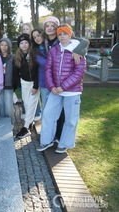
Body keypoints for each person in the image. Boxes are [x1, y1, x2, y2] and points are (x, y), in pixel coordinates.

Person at [37, 25, 86, 154]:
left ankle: (65, 143)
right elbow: (48, 69)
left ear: (70, 34)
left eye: (65, 33)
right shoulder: (54, 50)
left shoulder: (78, 50)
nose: (62, 36)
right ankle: (46, 140)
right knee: (48, 115)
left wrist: (63, 87)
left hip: (72, 91)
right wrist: (52, 86)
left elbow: (79, 72)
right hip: (55, 91)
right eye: (60, 34)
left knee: (70, 119)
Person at [13, 34, 40, 139]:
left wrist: (36, 86)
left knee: (32, 105)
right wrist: (18, 85)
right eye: (21, 43)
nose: (24, 45)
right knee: (27, 105)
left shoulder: (34, 55)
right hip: (24, 83)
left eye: (26, 43)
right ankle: (30, 123)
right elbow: (16, 73)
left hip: (34, 84)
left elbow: (38, 72)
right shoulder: (18, 57)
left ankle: (25, 128)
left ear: (29, 43)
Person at [31, 28, 50, 111]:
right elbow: (46, 64)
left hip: (57, 81)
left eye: (38, 35)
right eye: (34, 37)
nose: (37, 38)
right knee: (46, 106)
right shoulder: (35, 51)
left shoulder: (51, 46)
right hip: (44, 82)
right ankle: (45, 124)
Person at [0, 38, 14, 120]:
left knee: (8, 106)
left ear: (9, 47)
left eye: (6, 45)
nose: (4, 47)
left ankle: (10, 123)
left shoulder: (12, 58)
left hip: (8, 84)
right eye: (2, 45)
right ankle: (1, 121)